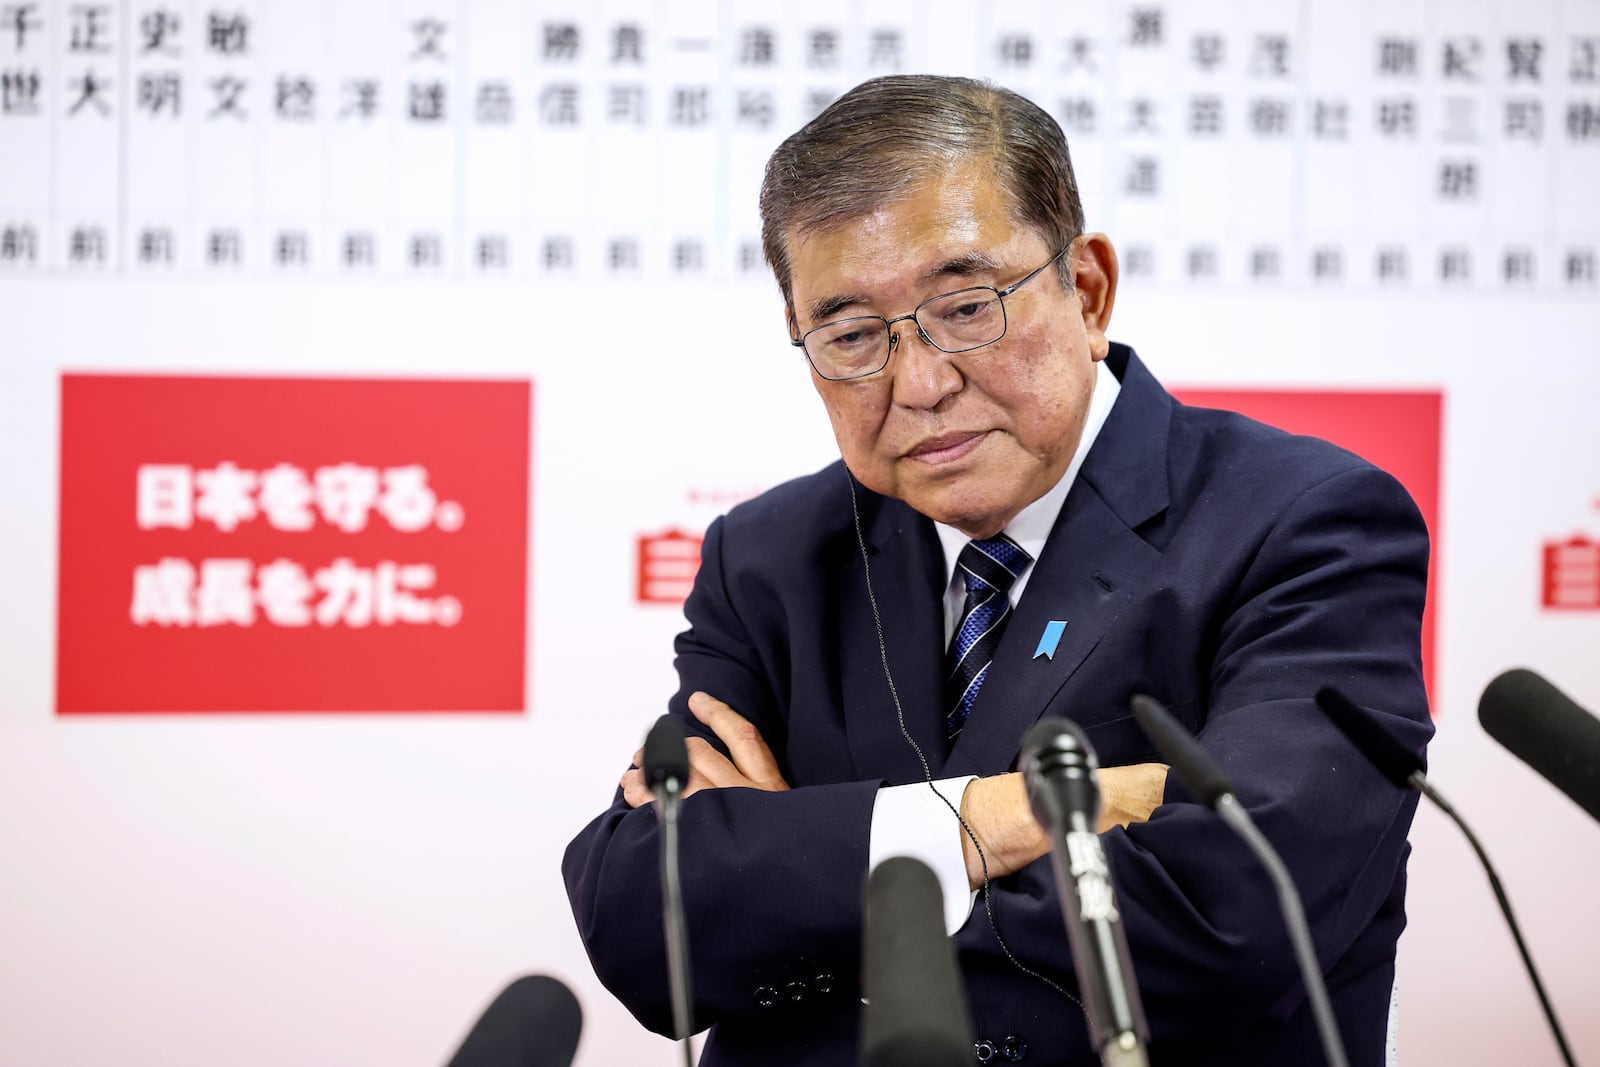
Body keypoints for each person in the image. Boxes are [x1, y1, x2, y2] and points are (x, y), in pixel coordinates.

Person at [563, 75, 1432, 1066]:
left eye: (966, 306)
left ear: (1087, 290)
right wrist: (992, 817)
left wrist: (804, 867)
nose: (922, 384)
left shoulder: (1299, 521)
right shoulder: (768, 554)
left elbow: (1241, 908)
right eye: (850, 336)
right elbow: (643, 914)